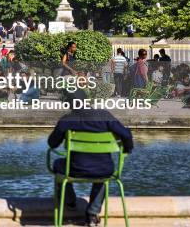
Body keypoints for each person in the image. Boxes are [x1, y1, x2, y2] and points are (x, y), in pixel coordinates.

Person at [48, 90, 133, 227]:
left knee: (58, 164)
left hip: (75, 169)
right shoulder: (104, 115)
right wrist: (127, 150)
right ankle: (93, 214)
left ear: (70, 103)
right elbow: (126, 135)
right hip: (105, 169)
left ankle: (69, 201)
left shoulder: (67, 120)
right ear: (87, 101)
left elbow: (52, 143)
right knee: (103, 173)